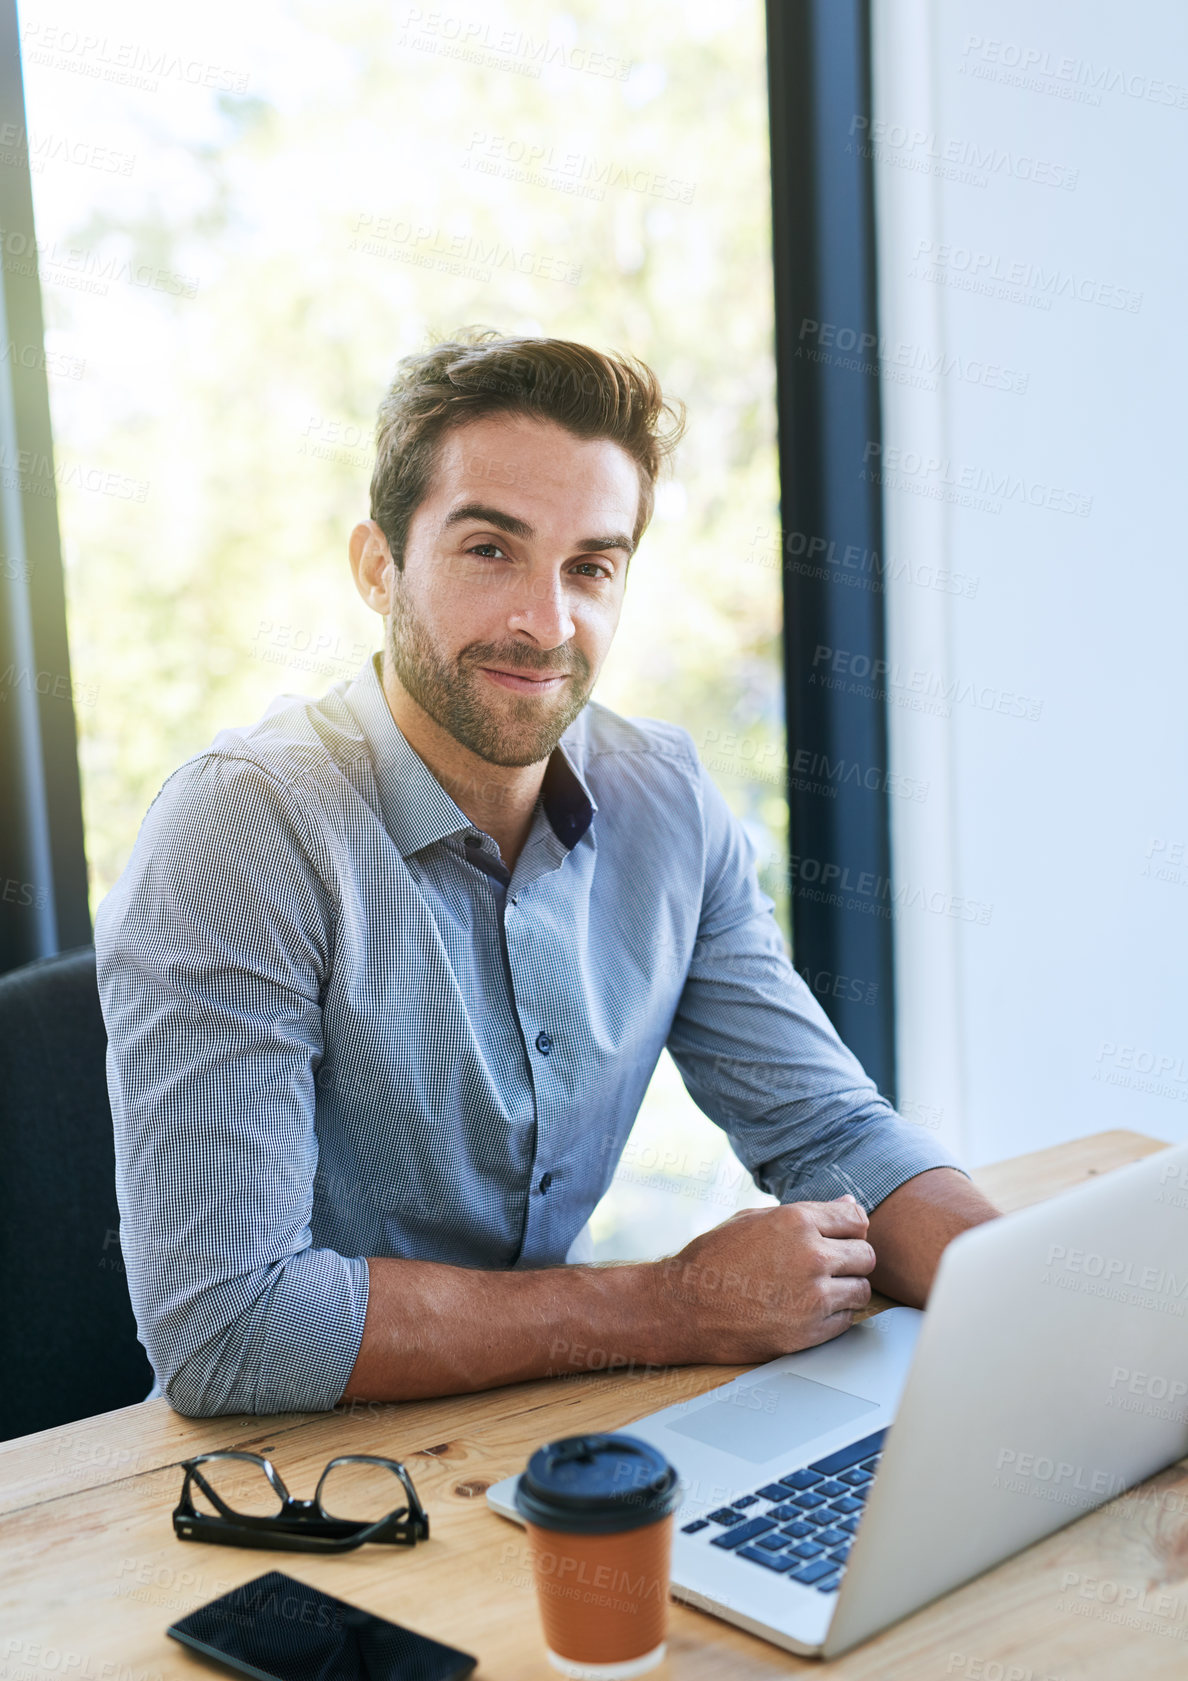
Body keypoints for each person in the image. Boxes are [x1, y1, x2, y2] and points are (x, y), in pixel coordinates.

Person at [95, 330, 998, 1418]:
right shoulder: (244, 829)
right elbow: (229, 1331)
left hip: (531, 1423)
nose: (546, 621)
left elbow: (832, 1134)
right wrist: (673, 1305)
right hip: (293, 1485)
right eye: (491, 550)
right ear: (378, 566)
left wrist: (1057, 1334)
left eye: (591, 567)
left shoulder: (665, 800)